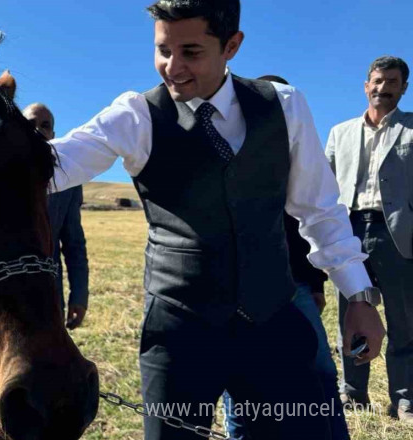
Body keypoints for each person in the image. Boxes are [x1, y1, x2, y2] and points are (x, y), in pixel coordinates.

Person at [49, 1, 386, 438]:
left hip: (274, 320)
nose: (171, 67)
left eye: (190, 52)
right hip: (180, 332)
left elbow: (319, 210)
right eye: (162, 50)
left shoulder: (283, 106)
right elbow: (48, 166)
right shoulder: (136, 116)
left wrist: (359, 297)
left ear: (232, 45)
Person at [219, 74, 349, 440]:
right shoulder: (223, 155)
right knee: (239, 383)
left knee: (320, 374)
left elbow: (310, 226)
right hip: (235, 290)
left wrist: (316, 284)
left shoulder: (296, 163)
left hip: (295, 286)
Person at [325, 55, 413, 423]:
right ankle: (354, 393)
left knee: (404, 319)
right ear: (366, 85)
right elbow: (324, 185)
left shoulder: (411, 128)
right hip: (349, 233)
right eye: (377, 80)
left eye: (392, 82)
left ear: (404, 88)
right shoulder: (339, 132)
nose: (383, 87)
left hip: (398, 235)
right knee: (352, 314)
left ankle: (405, 398)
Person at [23, 102, 90, 330]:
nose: (37, 130)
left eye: (45, 125)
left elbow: (74, 244)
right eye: (29, 124)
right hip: (2, 292)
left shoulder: (69, 182)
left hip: (49, 292)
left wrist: (79, 296)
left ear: (53, 134)